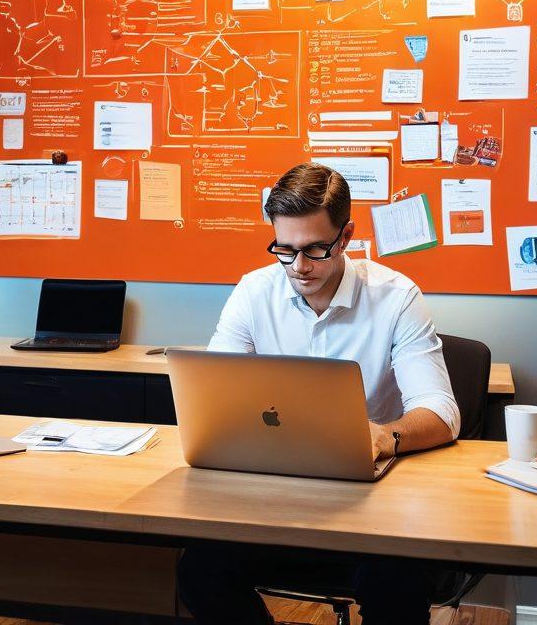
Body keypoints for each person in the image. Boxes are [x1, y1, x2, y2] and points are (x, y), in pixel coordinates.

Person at [176, 162, 460, 625]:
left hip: (373, 509)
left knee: (396, 583)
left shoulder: (396, 297)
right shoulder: (253, 292)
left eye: (315, 249)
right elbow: (214, 389)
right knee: (200, 570)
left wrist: (383, 436)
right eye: (284, 250)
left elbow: (442, 413)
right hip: (275, 499)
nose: (300, 267)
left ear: (345, 237)